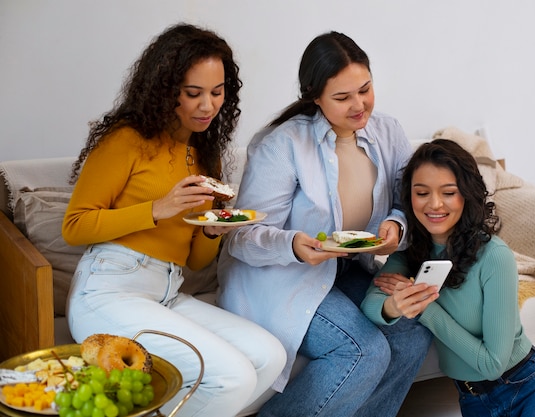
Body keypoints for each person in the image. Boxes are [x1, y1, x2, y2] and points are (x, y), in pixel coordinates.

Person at [62, 23, 286, 417]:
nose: (207, 106)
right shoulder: (126, 140)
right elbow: (75, 226)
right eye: (193, 93)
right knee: (232, 376)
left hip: (167, 291)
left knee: (270, 356)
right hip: (107, 291)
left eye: (217, 93)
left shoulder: (204, 154)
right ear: (166, 90)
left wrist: (213, 230)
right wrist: (157, 209)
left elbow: (196, 261)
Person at [217, 31, 437, 417]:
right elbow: (240, 237)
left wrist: (396, 225)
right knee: (363, 351)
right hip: (280, 275)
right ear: (314, 96)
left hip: (348, 267)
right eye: (343, 97)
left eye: (365, 89)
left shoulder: (388, 132)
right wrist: (293, 245)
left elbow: (407, 198)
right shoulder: (281, 145)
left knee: (410, 333)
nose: (359, 105)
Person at [361, 139, 535, 417]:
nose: (434, 204)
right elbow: (370, 304)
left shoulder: (494, 257)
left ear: (466, 194)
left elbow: (492, 365)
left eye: (448, 192)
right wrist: (395, 306)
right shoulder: (411, 254)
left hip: (531, 388)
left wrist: (425, 309)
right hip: (474, 402)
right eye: (422, 192)